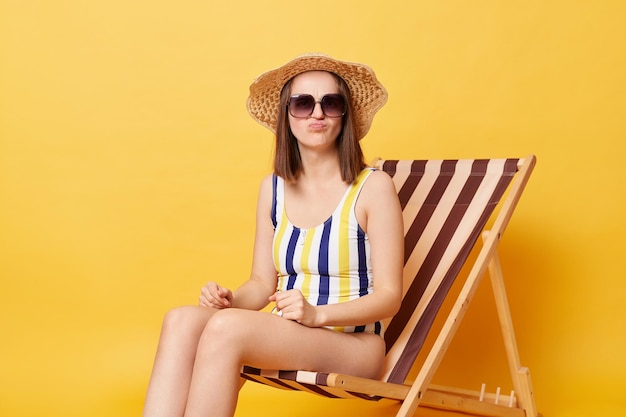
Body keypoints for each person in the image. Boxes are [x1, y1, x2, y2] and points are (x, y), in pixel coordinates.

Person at [142, 53, 404, 417]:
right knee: (182, 320)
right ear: (287, 115)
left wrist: (317, 315)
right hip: (291, 332)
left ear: (345, 115)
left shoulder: (374, 188)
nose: (317, 113)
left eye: (330, 103)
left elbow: (390, 297)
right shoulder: (274, 189)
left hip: (354, 344)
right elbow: (262, 283)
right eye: (302, 103)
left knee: (227, 330)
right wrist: (230, 299)